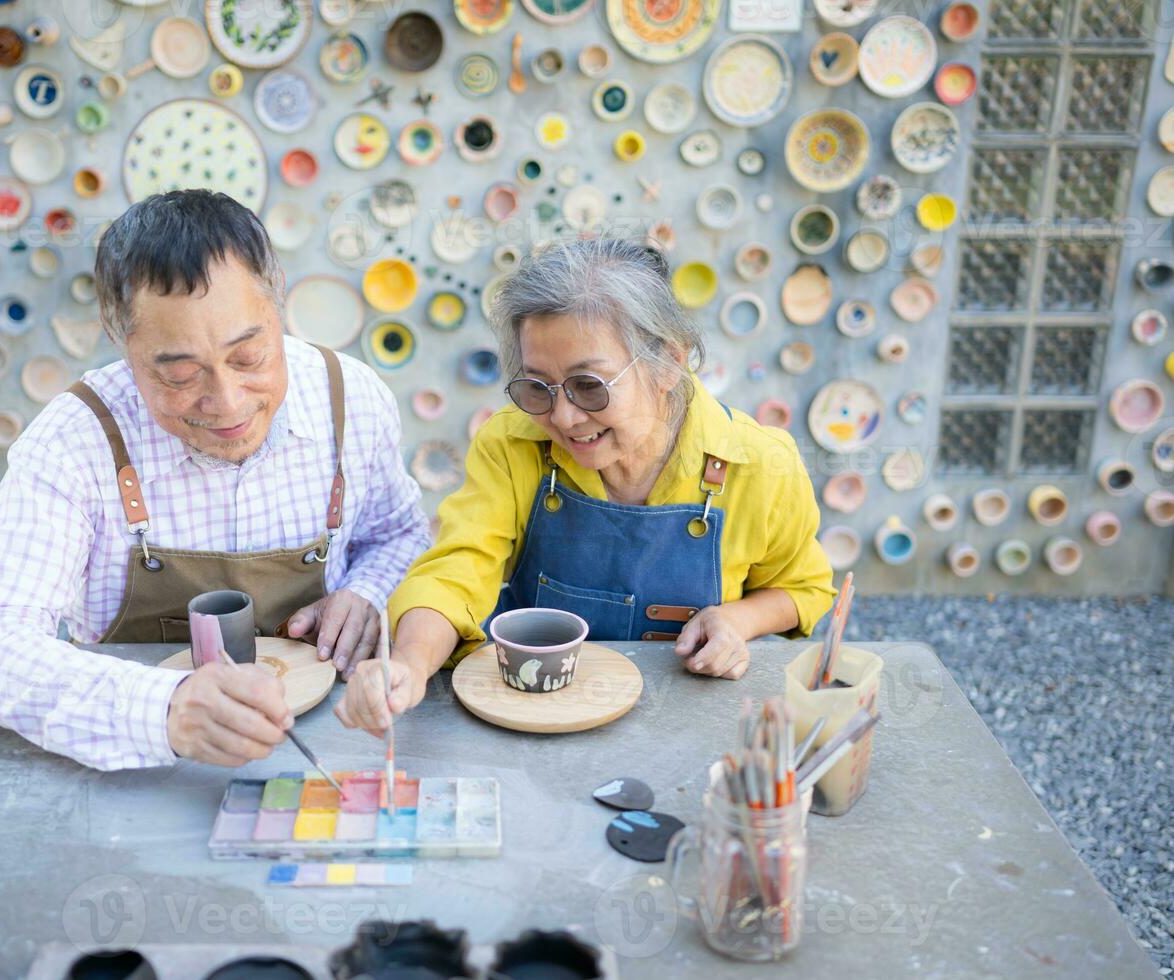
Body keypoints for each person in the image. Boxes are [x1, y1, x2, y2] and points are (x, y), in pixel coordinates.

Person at [0, 190, 430, 769]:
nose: (226, 403)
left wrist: (367, 590)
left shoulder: (350, 399)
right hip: (139, 757)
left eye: (249, 357)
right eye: (179, 374)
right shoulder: (72, 443)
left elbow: (401, 535)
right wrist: (163, 710)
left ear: (277, 303)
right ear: (120, 340)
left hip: (334, 739)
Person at [336, 237, 835, 735]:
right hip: (533, 712)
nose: (564, 417)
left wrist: (737, 621)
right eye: (538, 387)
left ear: (668, 363)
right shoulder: (513, 443)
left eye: (589, 385)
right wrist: (409, 664)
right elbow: (456, 571)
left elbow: (803, 587)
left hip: (687, 721)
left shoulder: (761, 463)